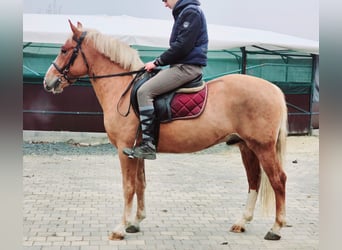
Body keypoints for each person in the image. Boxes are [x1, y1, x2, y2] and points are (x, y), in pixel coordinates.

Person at [124, 0, 208, 160]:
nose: (164, 4)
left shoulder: (190, 12)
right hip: (181, 65)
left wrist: (157, 62)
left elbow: (182, 46)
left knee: (144, 91)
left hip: (186, 67)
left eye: (165, 0)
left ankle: (148, 145)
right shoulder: (185, 12)